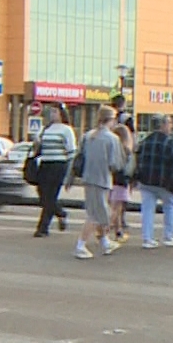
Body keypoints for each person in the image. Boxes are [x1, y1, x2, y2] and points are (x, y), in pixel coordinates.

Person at [74, 105, 124, 260]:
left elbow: (79, 156)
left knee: (98, 211)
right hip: (102, 179)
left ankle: (104, 241)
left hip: (88, 177)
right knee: (95, 214)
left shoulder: (88, 136)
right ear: (111, 120)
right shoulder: (112, 138)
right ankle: (81, 245)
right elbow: (115, 164)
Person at [134, 115, 173, 248]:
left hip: (146, 181)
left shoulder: (144, 141)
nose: (171, 127)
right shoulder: (169, 143)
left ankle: (147, 239)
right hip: (165, 182)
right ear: (163, 125)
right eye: (169, 123)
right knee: (169, 207)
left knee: (147, 209)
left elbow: (138, 160)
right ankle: (168, 237)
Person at [30, 106, 76, 237]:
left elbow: (71, 151)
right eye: (50, 112)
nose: (52, 114)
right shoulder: (46, 129)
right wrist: (37, 143)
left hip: (58, 165)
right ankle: (60, 212)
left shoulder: (66, 130)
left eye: (55, 112)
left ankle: (43, 228)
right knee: (43, 195)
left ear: (62, 114)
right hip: (45, 164)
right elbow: (38, 149)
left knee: (50, 196)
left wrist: (69, 172)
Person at [108, 114, 137, 242]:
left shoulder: (111, 148)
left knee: (114, 207)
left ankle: (118, 231)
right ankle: (105, 230)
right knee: (117, 208)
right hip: (121, 181)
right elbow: (130, 168)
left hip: (110, 180)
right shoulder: (126, 151)